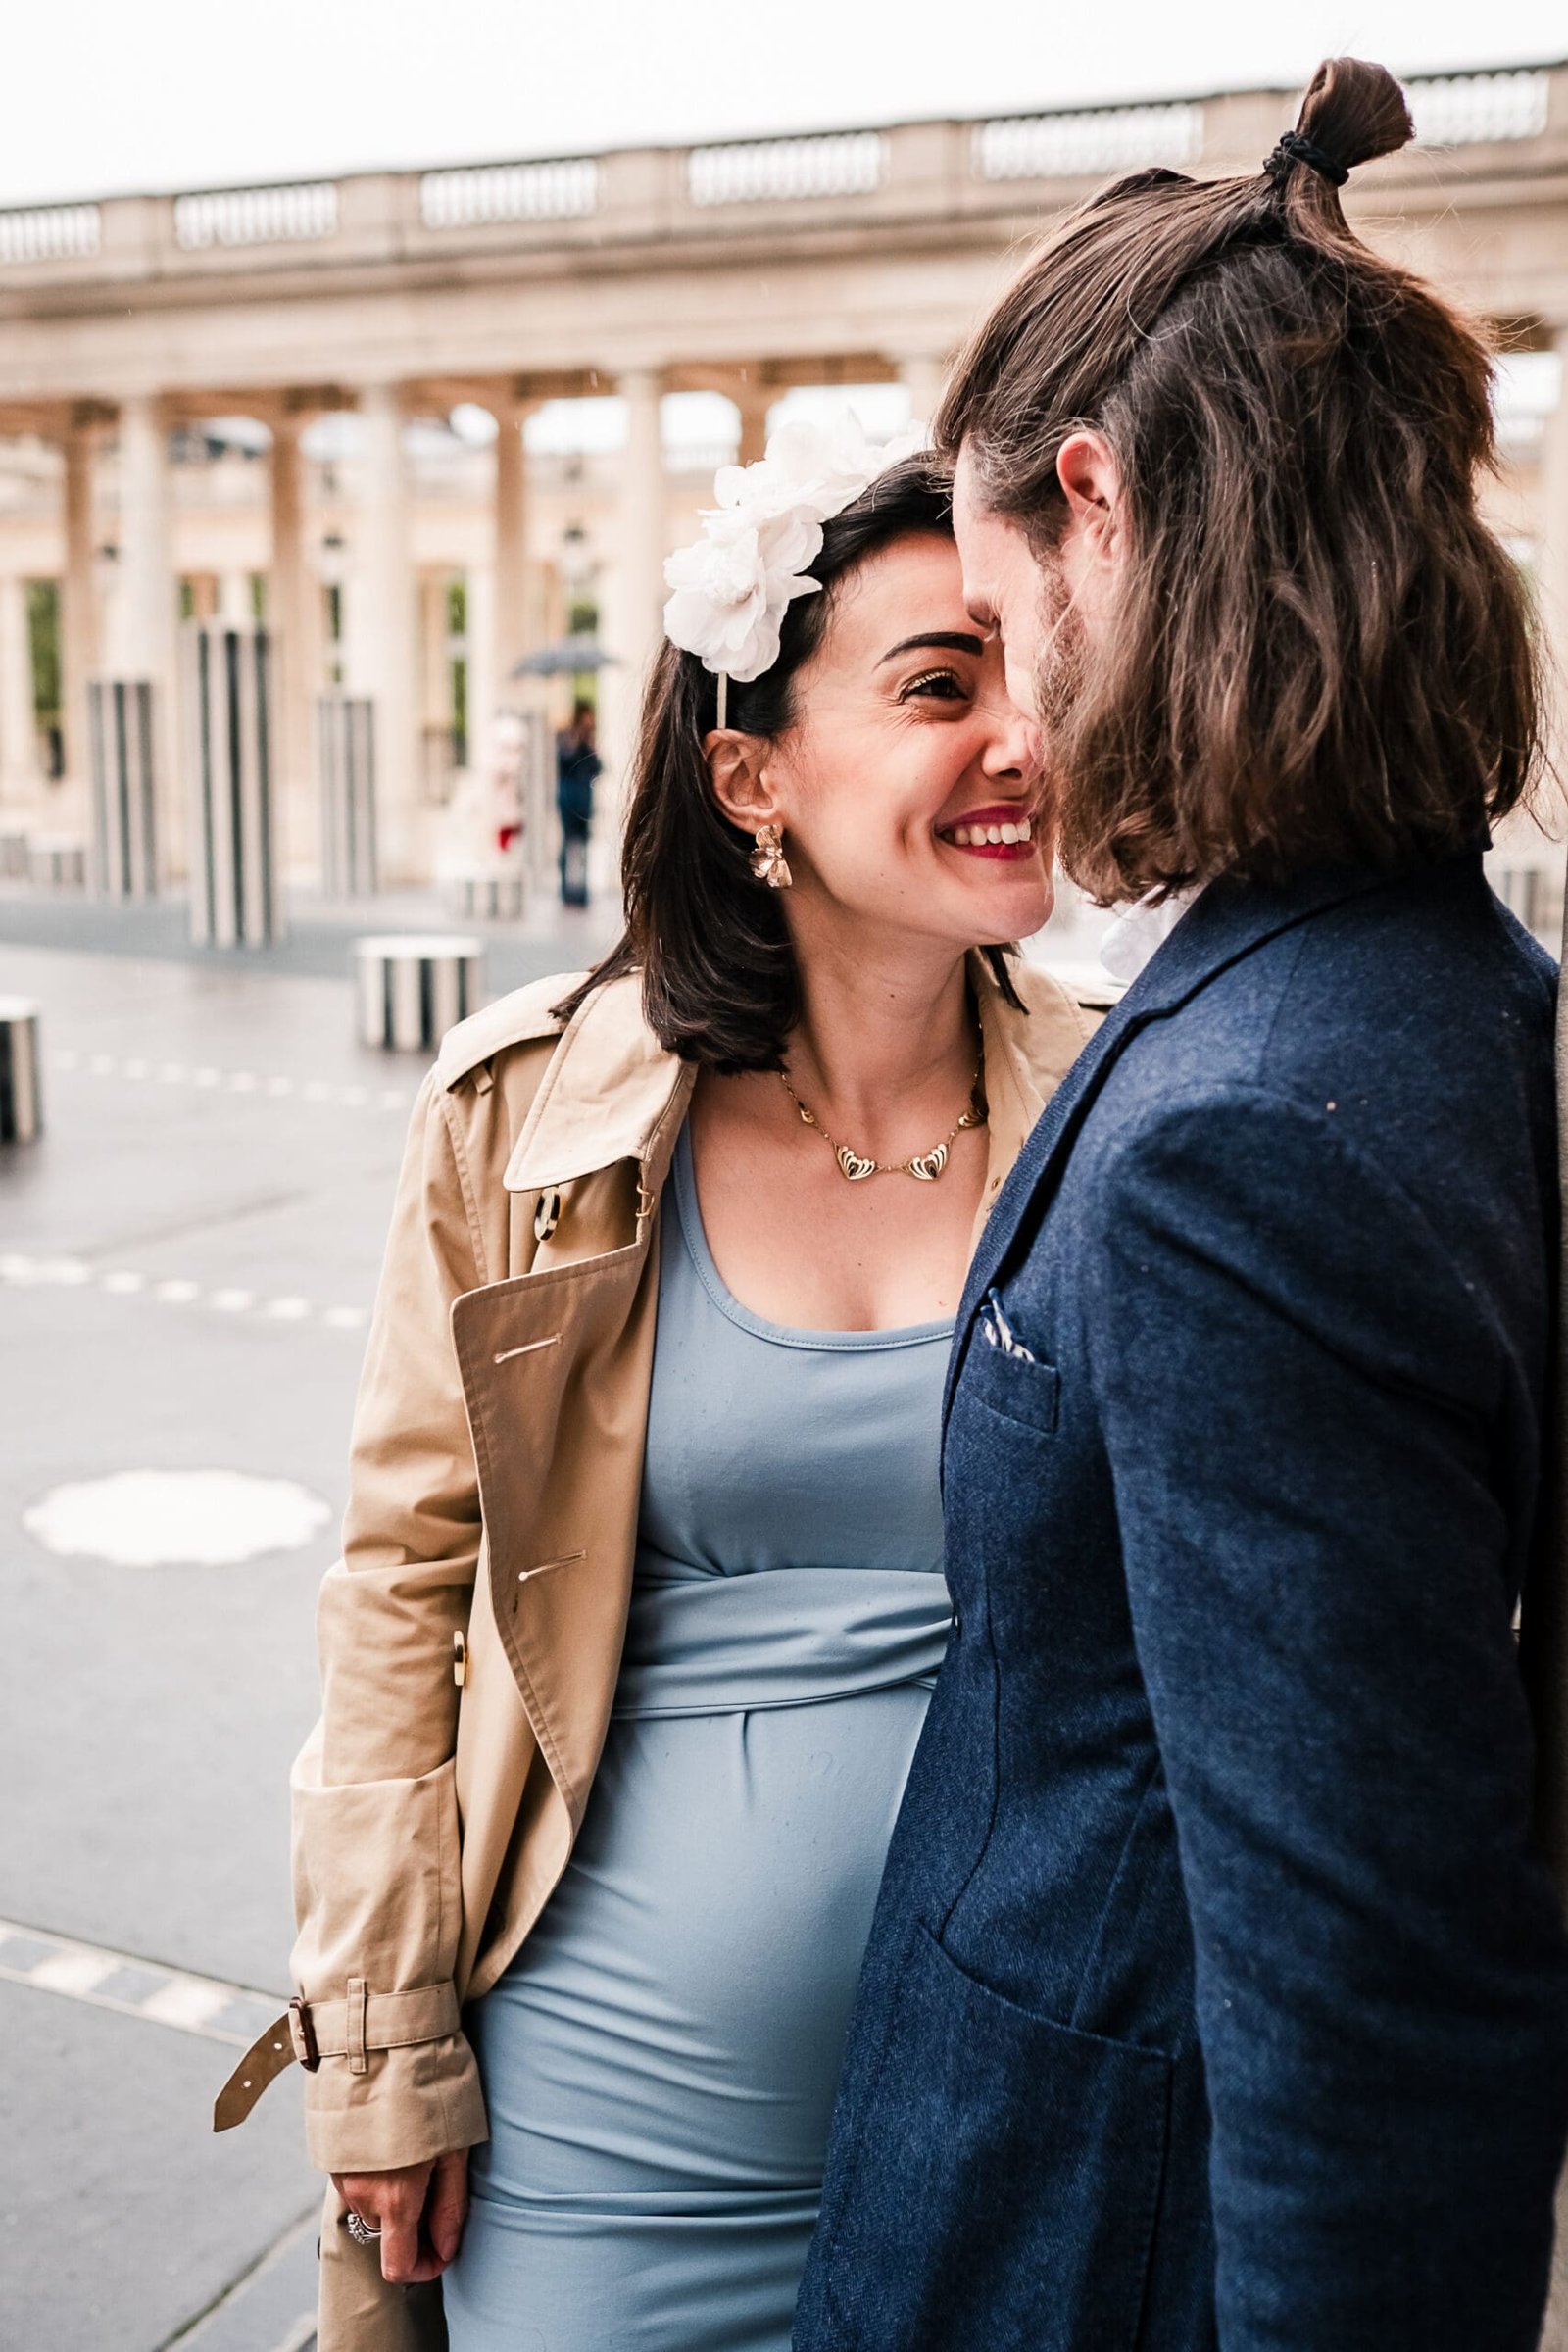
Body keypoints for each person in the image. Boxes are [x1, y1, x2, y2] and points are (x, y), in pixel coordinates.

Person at [794, 58, 1568, 2352]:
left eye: (994, 573)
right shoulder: (1440, 988)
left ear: (1097, 499)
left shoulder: (1250, 1137)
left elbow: (1363, 1987)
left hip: (1076, 2235)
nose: (1009, 696)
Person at [214, 433, 1095, 2352]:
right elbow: (396, 1600)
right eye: (938, 686)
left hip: (1029, 2134)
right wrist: (376, 2048)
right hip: (612, 2148)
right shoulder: (525, 1119)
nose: (1017, 736)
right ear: (749, 774)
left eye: (1026, 674)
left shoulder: (1126, 1109)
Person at [555, 698, 600, 905]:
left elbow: (597, 767)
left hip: (584, 801)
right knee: (568, 844)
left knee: (581, 846)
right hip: (569, 799)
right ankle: (566, 890)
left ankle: (580, 891)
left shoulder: (589, 742)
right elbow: (563, 763)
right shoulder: (567, 738)